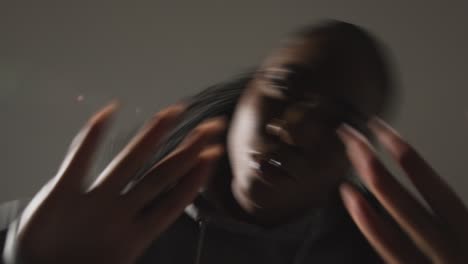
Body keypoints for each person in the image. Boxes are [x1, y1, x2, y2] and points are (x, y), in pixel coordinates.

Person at [1, 20, 467, 264]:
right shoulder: (70, 231)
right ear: (244, 96)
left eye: (339, 120)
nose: (292, 130)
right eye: (284, 87)